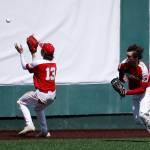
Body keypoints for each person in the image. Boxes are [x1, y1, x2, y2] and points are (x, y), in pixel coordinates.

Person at [14, 36, 56, 137]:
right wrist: (34, 50)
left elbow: (25, 66)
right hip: (52, 96)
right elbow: (37, 64)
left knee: (21, 102)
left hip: (42, 94)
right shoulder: (54, 63)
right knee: (38, 109)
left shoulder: (39, 63)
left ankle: (29, 125)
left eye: (42, 50)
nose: (41, 50)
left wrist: (21, 53)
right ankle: (44, 131)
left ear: (44, 53)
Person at [118, 44, 149, 125]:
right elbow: (121, 75)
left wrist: (126, 92)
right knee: (137, 120)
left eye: (129, 56)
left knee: (143, 114)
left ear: (136, 58)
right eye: (126, 56)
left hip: (146, 91)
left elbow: (143, 89)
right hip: (135, 91)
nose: (126, 58)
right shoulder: (123, 64)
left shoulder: (143, 69)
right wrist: (121, 79)